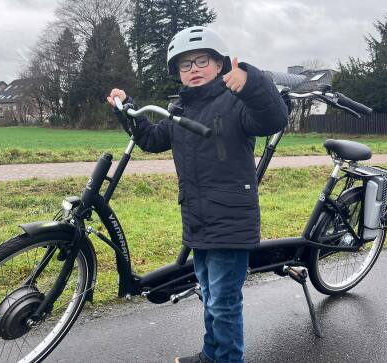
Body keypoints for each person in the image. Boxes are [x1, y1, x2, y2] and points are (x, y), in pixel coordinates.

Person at [107, 26, 288, 363]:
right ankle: (211, 354)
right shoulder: (180, 111)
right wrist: (125, 107)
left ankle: (228, 359)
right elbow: (151, 139)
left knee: (224, 303)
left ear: (219, 64)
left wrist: (252, 83)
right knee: (209, 294)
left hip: (230, 222)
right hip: (198, 219)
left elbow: (273, 118)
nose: (193, 69)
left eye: (201, 60)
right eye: (184, 65)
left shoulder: (235, 102)